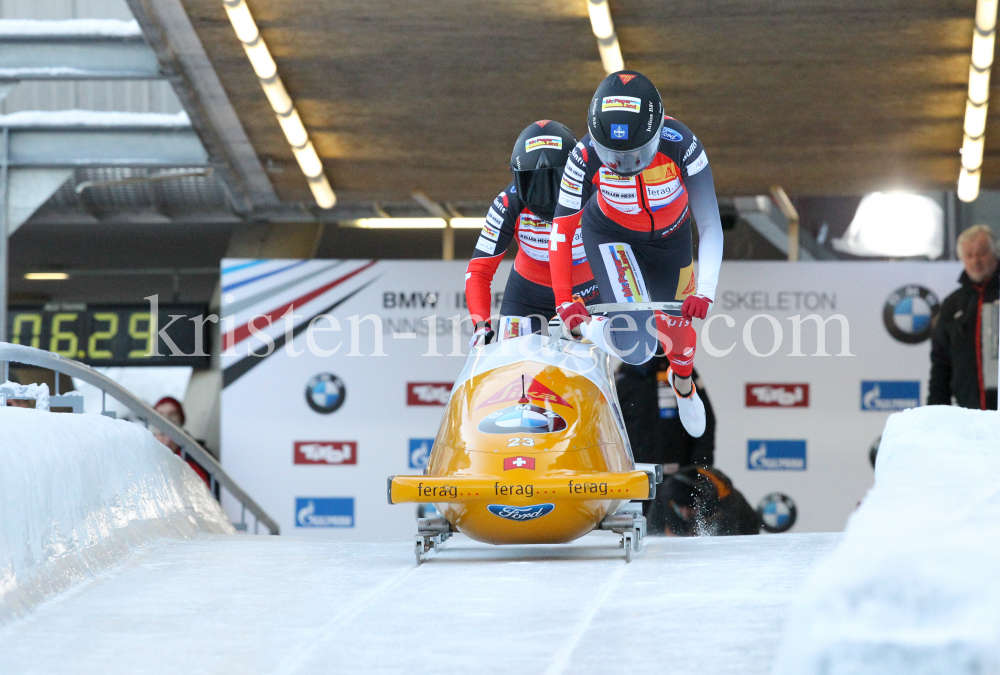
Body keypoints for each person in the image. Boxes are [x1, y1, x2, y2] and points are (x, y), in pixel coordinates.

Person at [549, 71, 724, 438]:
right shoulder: (582, 158)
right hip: (612, 237)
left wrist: (705, 291)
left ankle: (682, 382)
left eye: (635, 155)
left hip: (671, 242)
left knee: (680, 336)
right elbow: (562, 232)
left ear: (659, 133)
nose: (624, 167)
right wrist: (565, 302)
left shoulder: (684, 145)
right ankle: (585, 328)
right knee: (638, 348)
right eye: (612, 155)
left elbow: (709, 225)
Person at [465, 120, 598, 345]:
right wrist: (481, 326)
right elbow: (479, 271)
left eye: (555, 183)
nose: (545, 197)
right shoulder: (507, 204)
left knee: (581, 366)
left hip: (587, 294)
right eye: (533, 185)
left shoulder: (596, 195)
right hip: (527, 297)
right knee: (514, 365)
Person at [929, 224, 999, 410]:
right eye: (969, 255)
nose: (976, 260)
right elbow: (941, 365)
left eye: (982, 253)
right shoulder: (953, 304)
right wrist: (935, 412)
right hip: (970, 413)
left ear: (996, 252)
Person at [616, 360, 715, 468]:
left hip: (677, 473)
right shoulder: (620, 378)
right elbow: (609, 428)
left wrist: (699, 469)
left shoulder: (678, 371)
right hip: (637, 475)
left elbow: (704, 420)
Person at [654, 466, 759, 537]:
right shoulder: (664, 497)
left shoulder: (727, 500)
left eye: (691, 508)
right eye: (681, 510)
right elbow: (653, 532)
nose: (685, 514)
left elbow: (728, 538)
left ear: (700, 501)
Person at [153, 396, 211, 486]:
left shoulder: (195, 455)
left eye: (172, 414)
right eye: (160, 413)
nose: (166, 418)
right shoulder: (145, 451)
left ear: (180, 419)